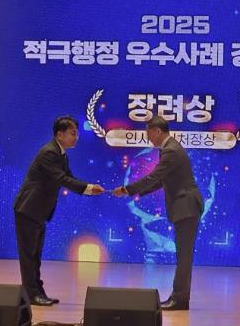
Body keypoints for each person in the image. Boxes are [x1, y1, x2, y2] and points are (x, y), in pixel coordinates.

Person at [113, 116, 202, 310]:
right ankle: (179, 298)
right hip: (184, 206)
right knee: (183, 255)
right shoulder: (168, 149)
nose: (148, 138)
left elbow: (154, 176)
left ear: (157, 131)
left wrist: (128, 189)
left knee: (184, 256)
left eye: (149, 133)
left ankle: (180, 299)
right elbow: (162, 180)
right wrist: (137, 193)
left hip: (186, 206)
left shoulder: (171, 151)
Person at [14, 115, 104, 306]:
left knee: (35, 255)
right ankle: (31, 295)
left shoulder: (61, 154)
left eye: (77, 133)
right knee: (29, 256)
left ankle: (37, 291)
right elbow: (62, 179)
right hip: (28, 209)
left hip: (39, 211)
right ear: (60, 134)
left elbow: (70, 177)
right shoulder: (49, 153)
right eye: (73, 133)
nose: (76, 137)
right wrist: (88, 188)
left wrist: (89, 189)